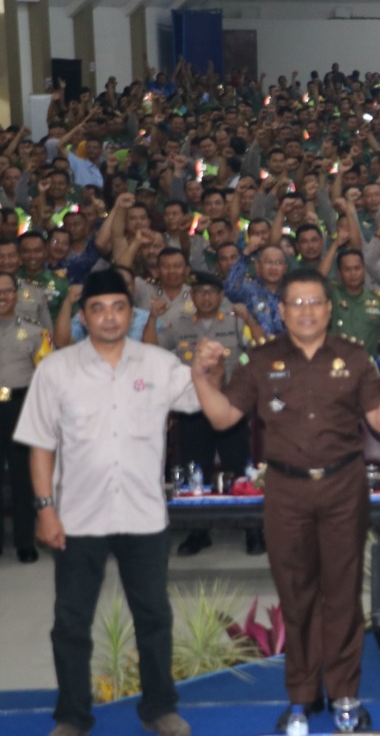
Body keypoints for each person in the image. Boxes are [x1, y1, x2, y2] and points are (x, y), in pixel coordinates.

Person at [189, 267, 380, 733]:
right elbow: (222, 416)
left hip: (343, 486)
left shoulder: (353, 358)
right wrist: (200, 377)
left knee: (343, 594)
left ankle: (347, 696)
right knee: (295, 595)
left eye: (316, 302)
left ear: (329, 309)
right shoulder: (261, 359)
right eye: (297, 303)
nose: (307, 311)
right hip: (286, 491)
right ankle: (302, 697)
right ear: (281, 310)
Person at [13, 270, 199, 736]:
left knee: (153, 616)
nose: (109, 316)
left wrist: (211, 367)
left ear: (131, 314)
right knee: (70, 622)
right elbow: (40, 445)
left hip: (143, 514)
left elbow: (204, 402)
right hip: (77, 515)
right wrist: (44, 508)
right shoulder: (57, 369)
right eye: (98, 308)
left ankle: (160, 707)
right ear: (83, 316)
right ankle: (72, 715)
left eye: (118, 307)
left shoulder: (158, 363)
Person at [157, 270, 261, 557]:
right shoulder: (177, 326)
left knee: (240, 469)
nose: (206, 297)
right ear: (192, 296)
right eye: (200, 292)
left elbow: (257, 350)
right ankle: (197, 532)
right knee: (194, 471)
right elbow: (157, 355)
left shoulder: (236, 323)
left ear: (220, 296)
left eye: (212, 292)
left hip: (230, 405)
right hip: (192, 408)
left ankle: (252, 530)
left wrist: (238, 365)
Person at [0, 269, 51, 563]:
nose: (3, 297)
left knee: (23, 477)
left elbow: (45, 376)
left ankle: (24, 542)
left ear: (16, 295)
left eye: (8, 291)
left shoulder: (34, 331)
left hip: (20, 406)